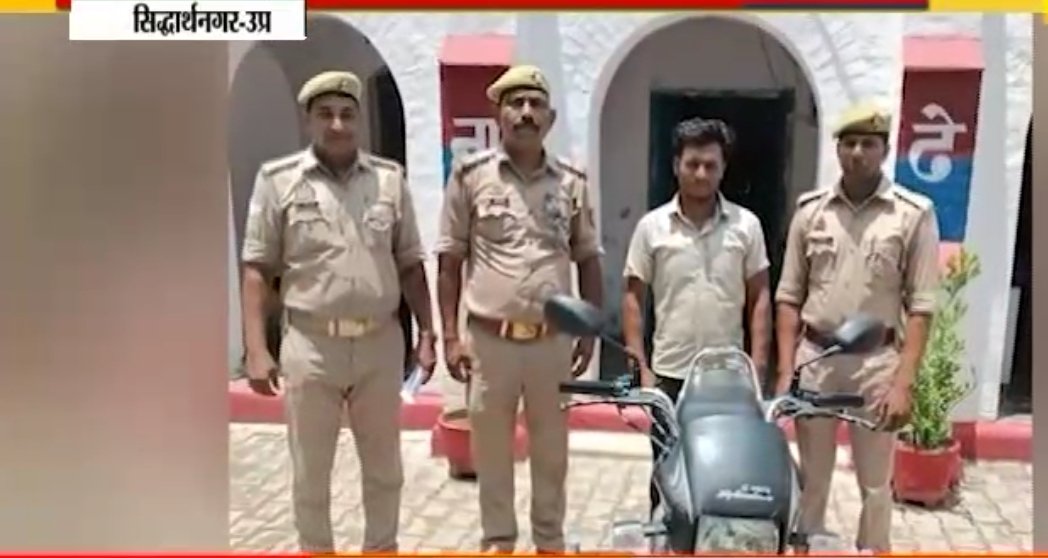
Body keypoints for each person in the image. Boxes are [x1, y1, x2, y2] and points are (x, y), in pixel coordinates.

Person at [239, 70, 438, 554]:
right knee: (311, 473)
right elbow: (257, 269)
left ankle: (381, 548)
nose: (337, 124)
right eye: (325, 114)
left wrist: (428, 334)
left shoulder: (389, 181)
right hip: (311, 346)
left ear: (359, 121)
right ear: (309, 120)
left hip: (379, 344)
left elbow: (410, 264)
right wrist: (256, 349)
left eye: (347, 114)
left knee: (384, 469)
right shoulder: (279, 181)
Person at [435, 64, 604, 553]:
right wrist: (450, 337)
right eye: (516, 103)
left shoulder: (572, 181)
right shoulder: (470, 177)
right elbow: (450, 260)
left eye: (535, 104)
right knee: (491, 453)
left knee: (552, 454)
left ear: (550, 118)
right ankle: (498, 541)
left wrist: (589, 329)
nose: (526, 113)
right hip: (490, 345)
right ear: (499, 114)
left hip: (552, 344)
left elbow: (588, 258)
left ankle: (549, 542)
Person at [774, 102, 941, 553]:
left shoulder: (911, 214)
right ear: (838, 150)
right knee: (812, 479)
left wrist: (903, 383)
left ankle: (873, 549)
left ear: (884, 150)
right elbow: (788, 296)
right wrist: (786, 370)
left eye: (868, 143)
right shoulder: (811, 212)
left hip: (876, 365)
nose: (857, 153)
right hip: (817, 360)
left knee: (875, 483)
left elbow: (922, 306)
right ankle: (808, 545)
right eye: (849, 143)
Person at [620, 117, 772, 513]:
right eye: (693, 164)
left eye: (710, 165)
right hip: (669, 374)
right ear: (676, 166)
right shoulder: (652, 227)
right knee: (667, 477)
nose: (701, 173)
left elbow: (760, 297)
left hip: (727, 377)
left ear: (723, 168)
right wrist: (641, 368)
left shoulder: (746, 226)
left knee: (727, 474)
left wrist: (757, 368)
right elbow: (633, 298)